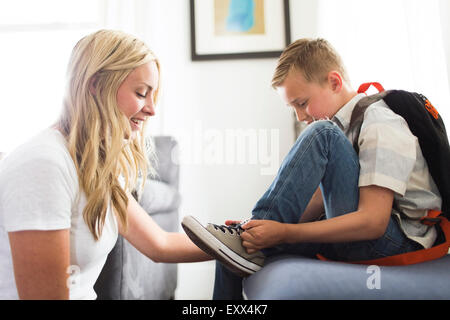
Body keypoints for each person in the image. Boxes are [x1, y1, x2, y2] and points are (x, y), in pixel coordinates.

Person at [181, 38, 443, 299]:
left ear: (334, 82)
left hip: (395, 241)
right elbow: (318, 202)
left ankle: (241, 240)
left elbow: (373, 222)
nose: (300, 116)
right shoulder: (343, 131)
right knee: (234, 252)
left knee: (322, 133)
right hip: (362, 233)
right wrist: (257, 228)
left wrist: (285, 232)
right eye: (293, 107)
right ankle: (242, 240)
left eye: (302, 103)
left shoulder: (380, 122)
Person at [0, 29, 211, 300]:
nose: (151, 109)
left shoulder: (95, 166)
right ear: (96, 85)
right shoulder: (44, 165)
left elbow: (161, 244)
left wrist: (244, 242)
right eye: (141, 92)